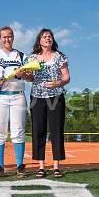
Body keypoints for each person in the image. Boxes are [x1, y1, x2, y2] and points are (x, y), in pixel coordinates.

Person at [0, 26, 32, 179]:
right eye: (4, 37)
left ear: (13, 38)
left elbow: (31, 77)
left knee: (18, 131)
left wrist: (24, 74)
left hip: (18, 96)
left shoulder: (21, 56)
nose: (7, 39)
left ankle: (19, 166)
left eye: (9, 36)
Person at [29, 28, 70, 178]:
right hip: (37, 97)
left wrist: (57, 83)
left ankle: (56, 166)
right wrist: (24, 74)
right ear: (39, 41)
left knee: (56, 130)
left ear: (52, 40)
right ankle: (41, 166)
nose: (47, 38)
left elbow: (66, 78)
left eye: (50, 36)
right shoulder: (32, 57)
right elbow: (30, 78)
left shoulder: (59, 56)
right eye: (44, 36)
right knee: (38, 130)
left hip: (56, 97)